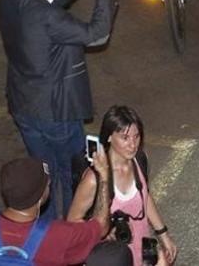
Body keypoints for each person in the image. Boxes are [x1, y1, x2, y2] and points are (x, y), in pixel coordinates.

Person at [0, 0, 117, 218]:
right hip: (57, 111)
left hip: (24, 105)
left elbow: (45, 8)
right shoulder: (46, 17)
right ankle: (69, 233)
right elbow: (96, 34)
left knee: (44, 176)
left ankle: (46, 233)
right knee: (71, 174)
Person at [68, 106, 178, 266]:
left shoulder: (139, 160)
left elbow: (145, 197)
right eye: (125, 138)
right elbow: (72, 221)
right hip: (112, 257)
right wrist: (102, 233)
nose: (132, 144)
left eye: (137, 136)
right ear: (109, 137)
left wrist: (163, 234)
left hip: (139, 247)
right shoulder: (94, 179)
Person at [0, 156, 112, 266]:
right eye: (47, 184)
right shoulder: (58, 236)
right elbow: (101, 226)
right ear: (40, 197)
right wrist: (103, 175)